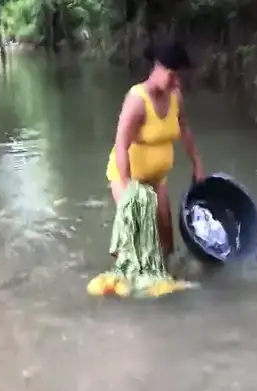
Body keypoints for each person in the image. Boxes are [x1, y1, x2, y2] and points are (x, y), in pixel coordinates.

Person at [106, 40, 205, 259]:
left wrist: (197, 163)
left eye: (180, 77)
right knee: (135, 239)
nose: (176, 82)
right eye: (172, 75)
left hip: (157, 178)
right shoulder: (137, 101)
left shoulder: (175, 96)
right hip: (128, 178)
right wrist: (129, 192)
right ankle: (125, 269)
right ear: (157, 67)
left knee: (166, 234)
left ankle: (167, 271)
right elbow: (121, 145)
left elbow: (184, 128)